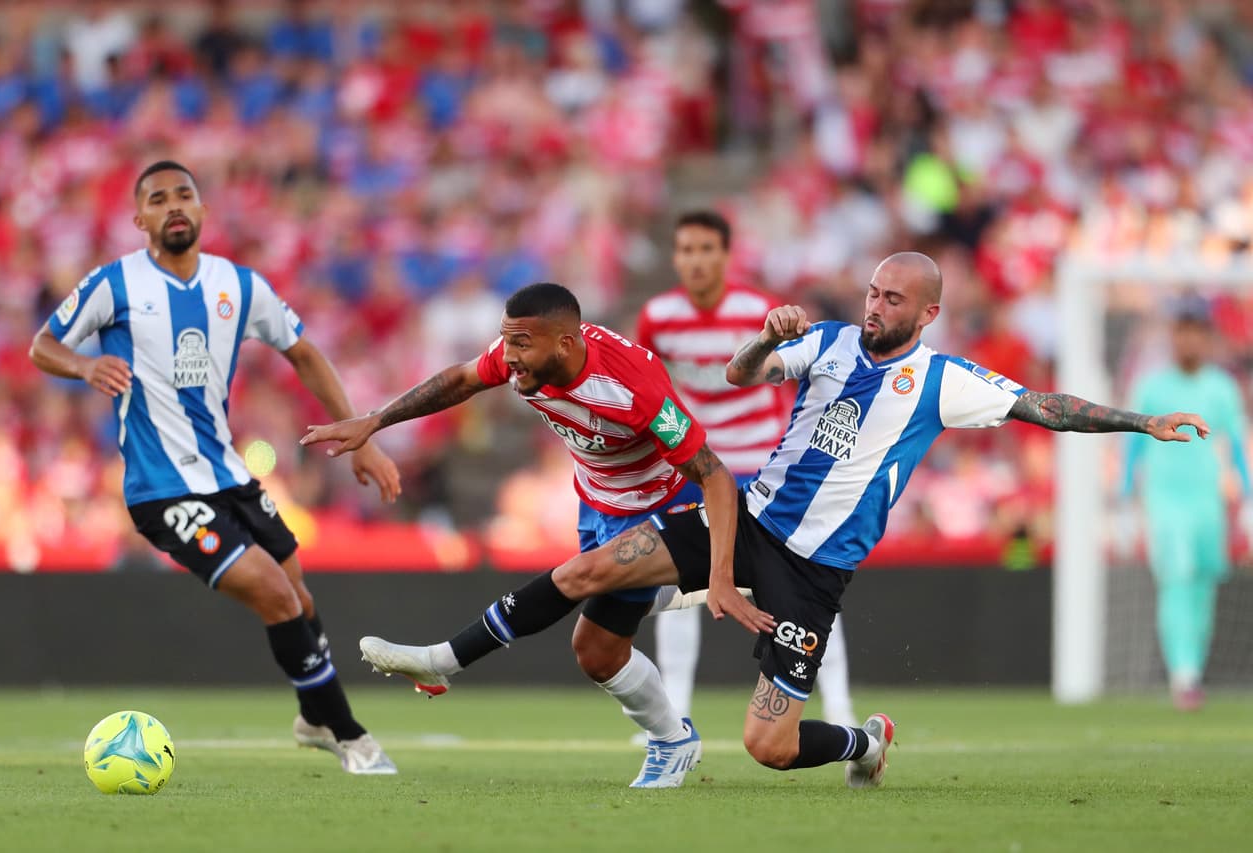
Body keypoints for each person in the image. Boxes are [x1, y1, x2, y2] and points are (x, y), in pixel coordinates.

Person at [349, 252, 1208, 787]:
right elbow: (736, 373)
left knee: (768, 744)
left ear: (928, 314)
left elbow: (1045, 406)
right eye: (873, 292)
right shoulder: (827, 342)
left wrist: (1142, 421)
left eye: (895, 300)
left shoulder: (948, 382)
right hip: (750, 518)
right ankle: (450, 656)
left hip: (812, 570)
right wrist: (767, 339)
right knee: (591, 570)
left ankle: (863, 743)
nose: (877, 307)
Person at [28, 160, 402, 775]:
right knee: (276, 596)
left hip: (230, 475)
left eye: (185, 195)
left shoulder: (239, 286)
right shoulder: (113, 284)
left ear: (202, 210)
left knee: (301, 598)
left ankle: (312, 718)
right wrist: (84, 366)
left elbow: (303, 352)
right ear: (139, 218)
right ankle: (350, 734)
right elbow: (44, 344)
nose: (173, 205)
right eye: (158, 198)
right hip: (162, 489)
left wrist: (361, 437)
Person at [301, 282, 748, 788]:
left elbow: (713, 473)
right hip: (597, 503)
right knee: (597, 653)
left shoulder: (633, 385)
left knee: (581, 578)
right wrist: (375, 421)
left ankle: (444, 659)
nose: (508, 357)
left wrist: (722, 570)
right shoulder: (523, 354)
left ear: (564, 343)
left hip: (660, 507)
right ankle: (673, 733)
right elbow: (459, 380)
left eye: (520, 344)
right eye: (505, 341)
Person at [637, 210, 855, 727]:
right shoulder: (658, 316)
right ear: (675, 256)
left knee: (802, 589)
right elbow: (650, 389)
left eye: (706, 249)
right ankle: (675, 715)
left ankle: (842, 708)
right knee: (681, 589)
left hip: (761, 473)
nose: (695, 260)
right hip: (693, 469)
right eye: (686, 250)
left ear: (726, 255)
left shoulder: (757, 312)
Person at [1120, 298, 1251, 711]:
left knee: (1202, 584)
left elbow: (1238, 449)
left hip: (1207, 502)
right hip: (1165, 499)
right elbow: (1131, 446)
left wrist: (1248, 500)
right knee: (1176, 578)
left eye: (1197, 330)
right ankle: (1184, 674)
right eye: (1183, 329)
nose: (1190, 338)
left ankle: (1192, 668)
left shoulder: (1221, 387)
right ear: (1174, 335)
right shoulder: (1153, 385)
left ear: (1208, 337)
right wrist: (1123, 501)